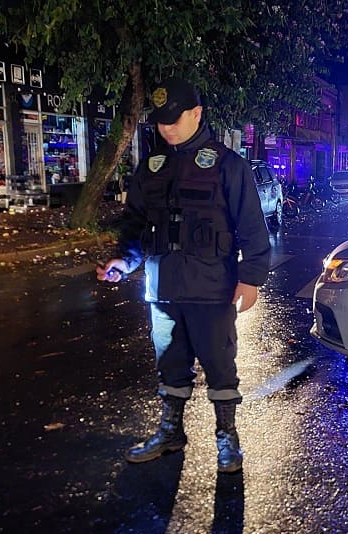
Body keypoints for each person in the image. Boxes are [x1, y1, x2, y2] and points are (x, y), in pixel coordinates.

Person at [97, 77, 271, 472]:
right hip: (163, 290)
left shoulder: (228, 165)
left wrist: (251, 278)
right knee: (170, 365)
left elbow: (253, 228)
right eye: (160, 121)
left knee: (220, 368)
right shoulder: (151, 167)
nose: (167, 127)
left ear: (197, 114)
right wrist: (123, 261)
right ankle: (171, 432)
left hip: (213, 291)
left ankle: (228, 439)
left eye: (175, 119)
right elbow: (136, 226)